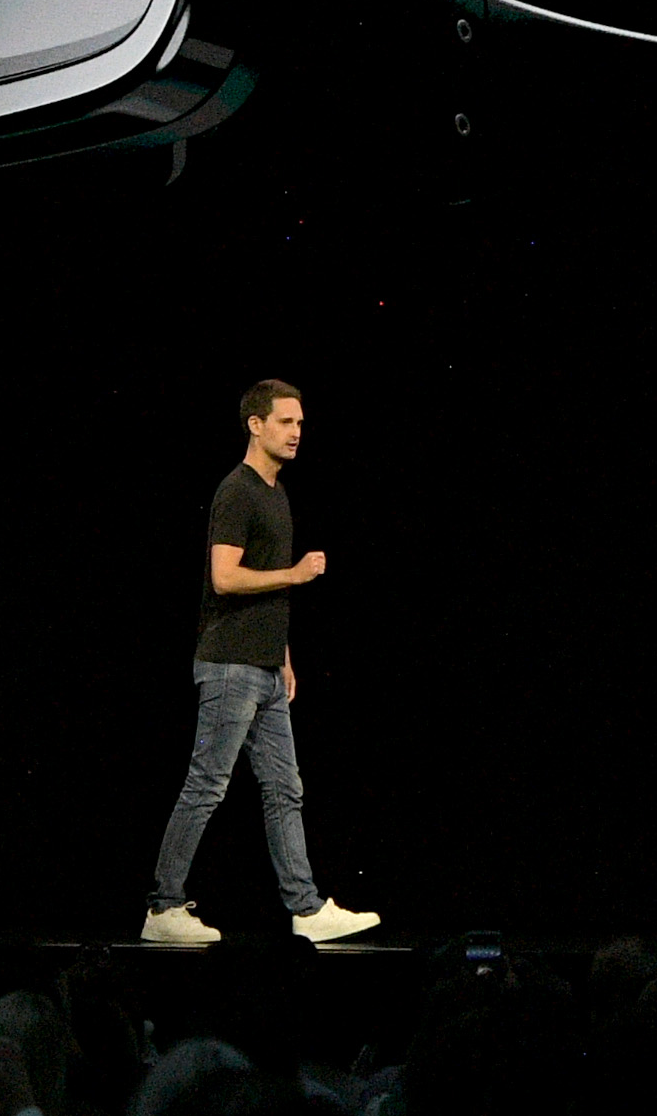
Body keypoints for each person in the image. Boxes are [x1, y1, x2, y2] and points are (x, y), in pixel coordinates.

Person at [142, 378, 381, 945]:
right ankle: (162, 908)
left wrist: (284, 655)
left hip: (265, 667)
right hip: (229, 665)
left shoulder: (277, 494)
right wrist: (296, 574)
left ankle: (305, 907)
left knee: (285, 789)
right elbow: (224, 578)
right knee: (207, 785)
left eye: (301, 423)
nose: (297, 432)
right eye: (285, 422)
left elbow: (267, 589)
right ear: (255, 424)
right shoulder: (238, 491)